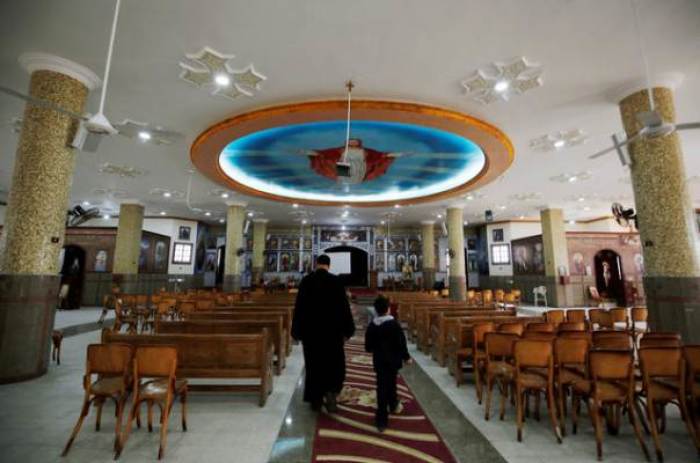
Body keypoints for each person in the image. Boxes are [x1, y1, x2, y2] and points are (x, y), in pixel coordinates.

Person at [292, 254, 355, 412]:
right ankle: (331, 394)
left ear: (316, 264)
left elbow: (299, 308)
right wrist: (348, 330)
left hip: (311, 333)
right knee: (333, 364)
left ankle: (315, 400)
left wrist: (297, 332)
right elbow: (344, 308)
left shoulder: (306, 281)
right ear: (329, 265)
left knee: (313, 365)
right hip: (332, 334)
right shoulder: (336, 282)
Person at [365, 295, 411, 432]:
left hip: (379, 361)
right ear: (388, 309)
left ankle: (388, 409)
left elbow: (368, 347)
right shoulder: (394, 325)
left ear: (376, 310)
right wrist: (406, 357)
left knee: (383, 385)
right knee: (390, 383)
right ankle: (383, 416)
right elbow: (401, 343)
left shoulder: (372, 326)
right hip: (393, 361)